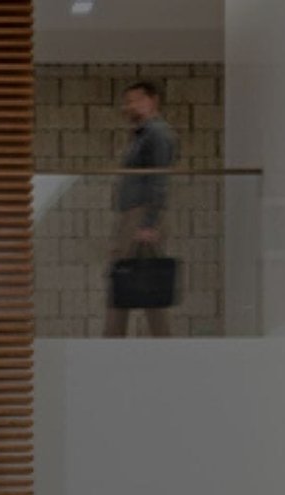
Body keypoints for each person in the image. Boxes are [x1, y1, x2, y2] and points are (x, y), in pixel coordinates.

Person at [104, 78, 178, 338]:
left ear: (153, 100)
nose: (131, 106)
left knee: (125, 273)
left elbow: (159, 179)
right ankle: (158, 339)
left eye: (137, 100)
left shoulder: (158, 133)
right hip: (135, 213)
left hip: (141, 213)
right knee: (142, 279)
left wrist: (149, 222)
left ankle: (113, 340)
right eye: (128, 101)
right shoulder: (142, 134)